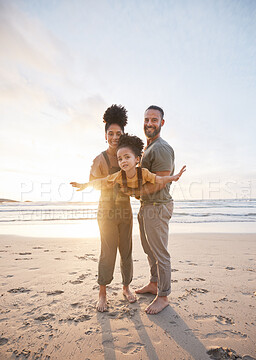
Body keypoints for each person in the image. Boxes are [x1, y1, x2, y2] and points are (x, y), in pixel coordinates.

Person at [71, 105, 136, 312]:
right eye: (111, 134)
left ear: (123, 135)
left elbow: (136, 182)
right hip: (106, 211)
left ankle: (126, 287)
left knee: (126, 250)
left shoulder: (128, 156)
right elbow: (93, 184)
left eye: (118, 134)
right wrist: (108, 181)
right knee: (107, 252)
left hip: (125, 211)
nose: (115, 137)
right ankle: (102, 294)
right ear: (105, 135)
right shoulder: (99, 159)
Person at [134, 105, 179, 314]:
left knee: (160, 253)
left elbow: (160, 182)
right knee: (148, 249)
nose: (149, 123)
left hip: (157, 207)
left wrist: (136, 192)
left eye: (154, 120)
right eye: (146, 119)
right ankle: (154, 284)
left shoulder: (161, 148)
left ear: (162, 123)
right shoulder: (149, 147)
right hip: (147, 206)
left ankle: (163, 295)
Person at [71, 133, 186, 192]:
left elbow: (160, 179)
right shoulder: (119, 176)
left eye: (127, 157)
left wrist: (174, 177)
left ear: (136, 159)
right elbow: (101, 181)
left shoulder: (144, 173)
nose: (123, 161)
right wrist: (84, 185)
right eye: (120, 159)